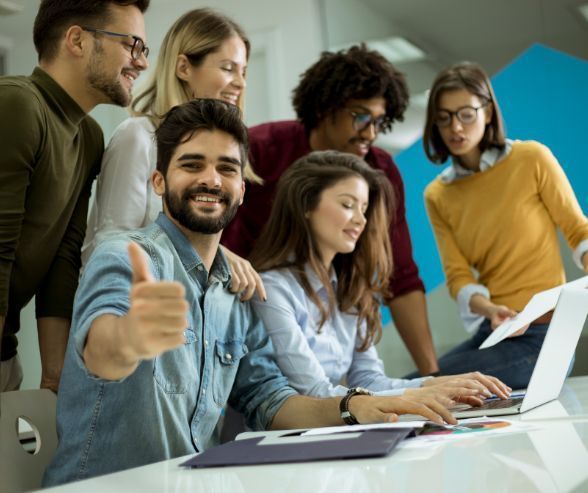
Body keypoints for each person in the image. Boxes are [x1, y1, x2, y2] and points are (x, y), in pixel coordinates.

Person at [43, 99, 465, 486]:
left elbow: (270, 399)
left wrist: (353, 406)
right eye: (192, 165)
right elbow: (100, 352)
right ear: (158, 181)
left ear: (242, 188)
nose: (211, 179)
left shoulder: (237, 289)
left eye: (227, 168)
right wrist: (129, 339)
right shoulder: (125, 257)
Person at [221, 44, 439, 376]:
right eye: (360, 116)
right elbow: (212, 244)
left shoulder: (381, 170)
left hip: (327, 307)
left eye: (379, 121)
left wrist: (431, 376)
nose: (370, 133)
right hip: (248, 311)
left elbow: (402, 276)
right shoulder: (260, 149)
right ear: (326, 107)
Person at [249, 150, 510, 401]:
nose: (361, 220)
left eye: (364, 209)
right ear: (306, 204)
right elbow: (314, 393)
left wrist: (438, 384)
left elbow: (370, 381)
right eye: (347, 204)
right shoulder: (273, 290)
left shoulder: (349, 289)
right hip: (275, 441)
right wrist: (423, 392)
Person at [0, 0, 150, 392]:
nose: (142, 63)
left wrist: (55, 376)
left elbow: (61, 261)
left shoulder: (89, 138)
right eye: (132, 45)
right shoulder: (17, 104)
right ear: (77, 40)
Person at [421, 62, 588, 389]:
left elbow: (578, 231)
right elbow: (459, 278)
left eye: (466, 114)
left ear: (488, 112)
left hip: (545, 339)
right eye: (444, 117)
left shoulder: (532, 159)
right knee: (415, 385)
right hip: (495, 330)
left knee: (426, 387)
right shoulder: (437, 195)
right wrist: (490, 309)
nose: (456, 127)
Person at [82, 8, 263, 300]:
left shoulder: (231, 153)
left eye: (243, 72)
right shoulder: (137, 136)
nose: (241, 83)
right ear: (183, 67)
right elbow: (110, 244)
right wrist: (221, 255)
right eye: (228, 68)